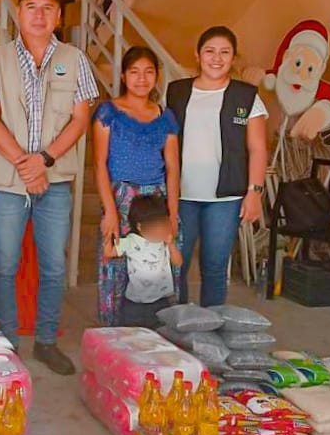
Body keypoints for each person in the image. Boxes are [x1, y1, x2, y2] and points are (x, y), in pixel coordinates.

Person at [0, 0, 99, 375]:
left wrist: (43, 160)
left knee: (54, 266)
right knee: (5, 264)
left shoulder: (75, 60)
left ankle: (45, 341)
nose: (39, 15)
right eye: (31, 7)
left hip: (54, 180)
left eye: (47, 8)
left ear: (58, 15)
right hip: (7, 182)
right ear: (18, 13)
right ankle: (7, 340)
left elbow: (80, 119)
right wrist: (26, 166)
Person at [166, 26, 268, 307]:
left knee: (214, 266)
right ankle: (177, 324)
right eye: (210, 51)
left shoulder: (246, 96)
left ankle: (210, 326)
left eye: (225, 52)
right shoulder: (176, 92)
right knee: (176, 264)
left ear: (233, 57)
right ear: (197, 55)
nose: (217, 58)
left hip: (226, 198)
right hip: (181, 195)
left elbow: (257, 148)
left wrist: (254, 192)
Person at [92, 46, 180, 327]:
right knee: (117, 264)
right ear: (123, 75)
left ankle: (158, 328)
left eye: (148, 72)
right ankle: (116, 330)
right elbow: (100, 164)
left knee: (158, 262)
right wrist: (110, 211)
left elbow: (173, 168)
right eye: (134, 72)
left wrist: (173, 212)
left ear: (156, 76)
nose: (141, 79)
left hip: (156, 198)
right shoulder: (109, 112)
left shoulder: (165, 116)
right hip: (120, 197)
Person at [104, 195, 182, 329]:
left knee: (160, 334)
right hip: (135, 303)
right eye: (156, 227)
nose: (161, 231)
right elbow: (109, 252)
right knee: (132, 334)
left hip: (161, 301)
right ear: (140, 226)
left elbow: (178, 262)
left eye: (163, 225)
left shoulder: (164, 242)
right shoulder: (131, 240)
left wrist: (171, 245)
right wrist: (107, 235)